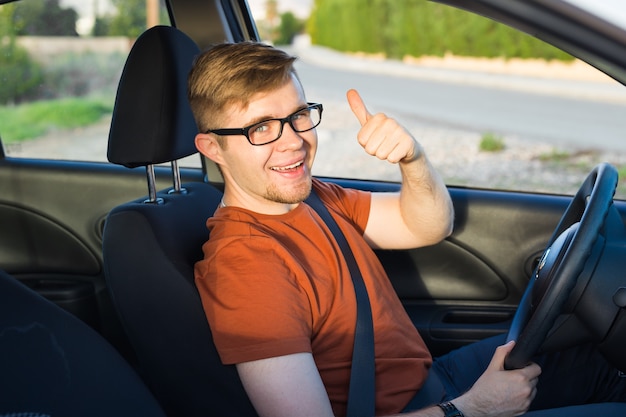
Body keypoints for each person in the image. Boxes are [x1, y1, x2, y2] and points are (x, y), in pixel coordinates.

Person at [189, 41, 626, 417]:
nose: (293, 141)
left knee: (603, 354)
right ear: (213, 148)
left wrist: (412, 159)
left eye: (299, 115)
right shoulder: (245, 267)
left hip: (435, 381)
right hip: (436, 405)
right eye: (261, 128)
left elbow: (429, 225)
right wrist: (472, 408)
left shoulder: (314, 199)